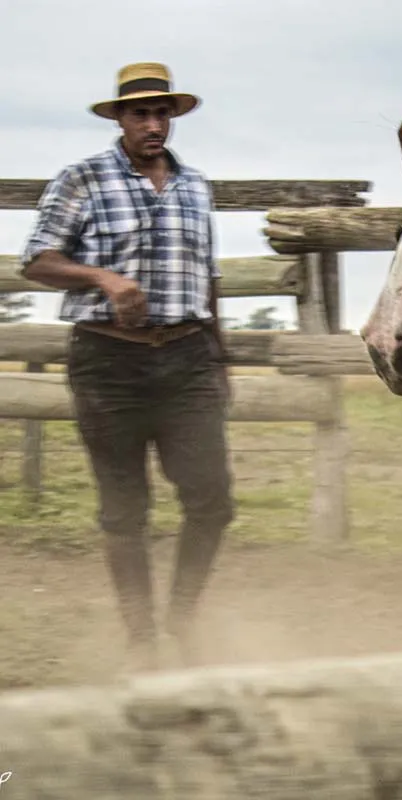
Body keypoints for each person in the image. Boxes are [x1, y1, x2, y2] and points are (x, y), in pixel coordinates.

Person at [19, 62, 235, 671]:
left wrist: (219, 359)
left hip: (188, 357)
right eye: (141, 113)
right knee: (124, 508)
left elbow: (208, 276)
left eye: (162, 113)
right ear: (119, 118)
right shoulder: (82, 178)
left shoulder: (195, 186)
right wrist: (103, 279)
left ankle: (182, 617)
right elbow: (37, 261)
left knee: (212, 499)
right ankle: (141, 636)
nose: (154, 124)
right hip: (107, 361)